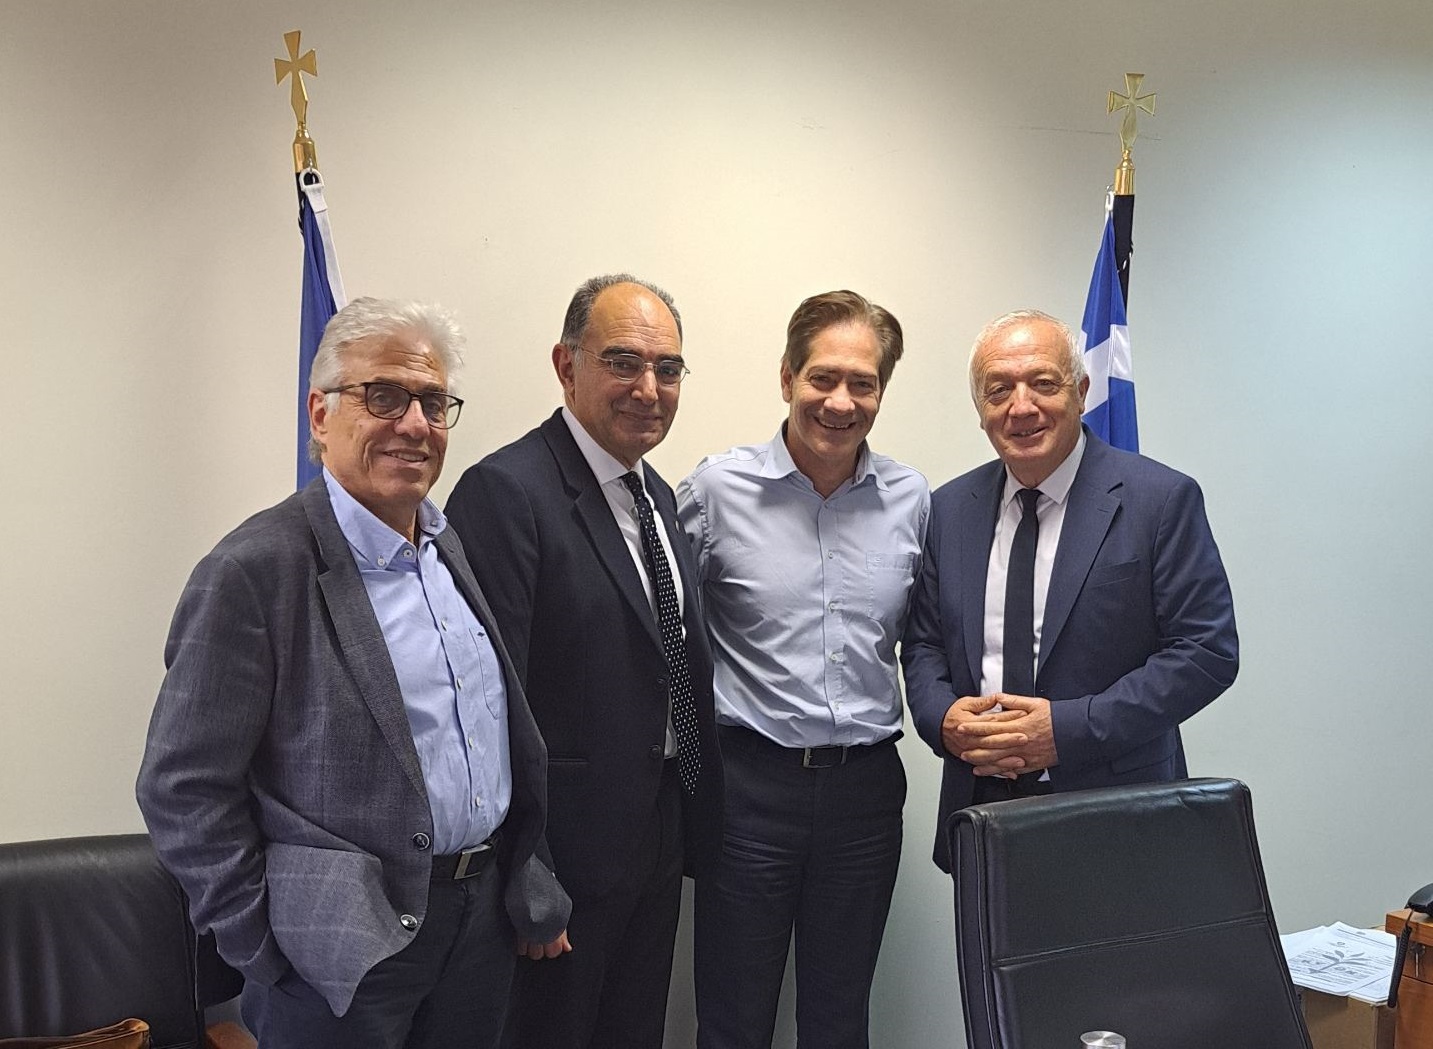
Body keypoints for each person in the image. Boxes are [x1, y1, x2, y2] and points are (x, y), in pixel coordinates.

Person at [136, 297, 570, 1049]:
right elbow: (182, 786)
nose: (414, 424)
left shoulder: (444, 549)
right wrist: (266, 947)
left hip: (478, 927)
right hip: (336, 954)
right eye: (384, 396)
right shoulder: (254, 570)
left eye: (432, 402)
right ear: (320, 413)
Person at [444, 274, 723, 1049]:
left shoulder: (655, 494)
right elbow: (486, 705)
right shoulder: (506, 492)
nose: (648, 388)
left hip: (655, 830)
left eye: (667, 368)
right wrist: (525, 870)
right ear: (566, 366)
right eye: (623, 362)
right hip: (561, 855)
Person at [677, 290, 928, 1049]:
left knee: (839, 1017)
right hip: (748, 791)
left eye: (863, 383)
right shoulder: (716, 491)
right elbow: (663, 635)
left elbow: (925, 638)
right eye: (823, 377)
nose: (840, 402)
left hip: (864, 795)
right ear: (787, 376)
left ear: (881, 391)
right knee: (734, 1016)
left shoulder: (910, 499)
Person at [901, 308, 1239, 871]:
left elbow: (1206, 653)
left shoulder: (1159, 500)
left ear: (1080, 392)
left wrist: (1066, 731)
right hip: (980, 810)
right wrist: (943, 720)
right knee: (987, 938)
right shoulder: (950, 509)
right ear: (980, 411)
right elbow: (923, 645)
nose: (1021, 407)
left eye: (1043, 383)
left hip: (1119, 818)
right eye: (999, 390)